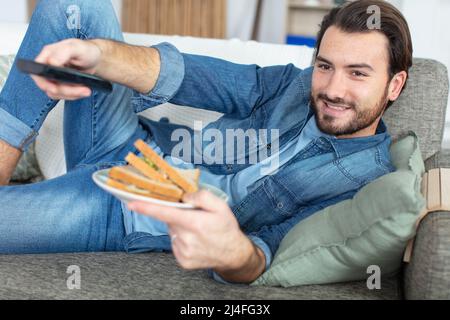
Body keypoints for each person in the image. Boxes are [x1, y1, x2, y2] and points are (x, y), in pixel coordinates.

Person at [0, 0, 412, 284]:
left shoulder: (366, 182)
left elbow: (262, 255)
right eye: (325, 66)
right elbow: (189, 75)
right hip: (129, 148)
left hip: (124, 209)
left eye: (358, 73)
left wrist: (234, 252)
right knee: (77, 8)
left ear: (395, 84)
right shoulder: (291, 86)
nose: (333, 88)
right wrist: (99, 58)